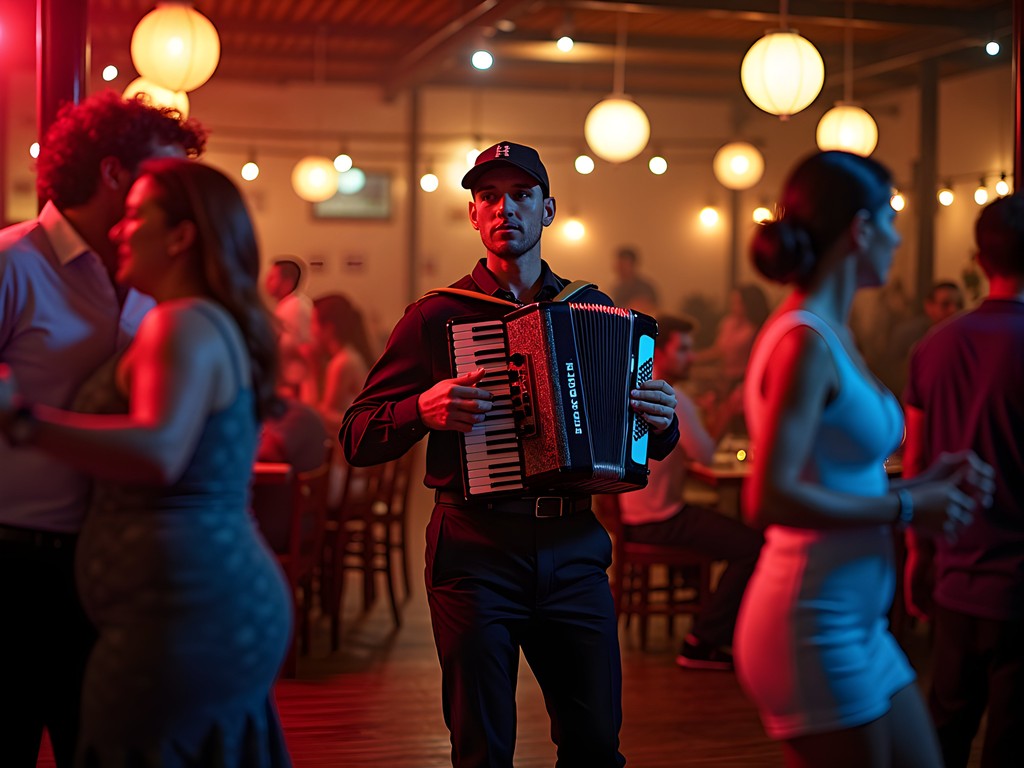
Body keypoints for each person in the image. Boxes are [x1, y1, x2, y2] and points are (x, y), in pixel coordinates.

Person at [340, 141, 681, 768]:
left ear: (547, 209)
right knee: (483, 750)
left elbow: (641, 441)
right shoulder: (436, 316)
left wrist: (660, 423)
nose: (506, 209)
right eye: (489, 196)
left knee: (595, 746)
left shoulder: (595, 307)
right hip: (475, 551)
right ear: (473, 215)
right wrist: (421, 409)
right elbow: (357, 434)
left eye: (521, 196)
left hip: (573, 546)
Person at [0, 159, 292, 766]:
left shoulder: (177, 323)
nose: (118, 230)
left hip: (186, 611)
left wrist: (23, 420)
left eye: (136, 216)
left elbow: (160, 451)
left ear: (181, 236)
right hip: (191, 603)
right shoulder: (201, 320)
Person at [734, 150, 994, 768]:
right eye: (891, 219)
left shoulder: (832, 331)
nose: (899, 238)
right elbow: (767, 498)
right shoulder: (804, 341)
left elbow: (840, 472)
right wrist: (909, 506)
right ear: (861, 229)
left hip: (858, 622)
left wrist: (931, 481)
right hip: (810, 623)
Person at [0, 92, 206, 768]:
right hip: (15, 563)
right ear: (116, 172)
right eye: (166, 176)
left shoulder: (151, 277)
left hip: (113, 565)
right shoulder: (12, 262)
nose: (180, 196)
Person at [903, 194, 1024, 768]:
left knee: (945, 729)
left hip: (954, 566)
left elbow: (918, 462)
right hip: (1019, 581)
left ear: (978, 259)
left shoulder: (934, 346)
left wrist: (917, 555)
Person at [619, 314, 763, 671]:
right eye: (683, 349)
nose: (690, 357)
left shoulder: (640, 385)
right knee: (752, 547)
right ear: (661, 352)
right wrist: (729, 410)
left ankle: (710, 623)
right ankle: (702, 640)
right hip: (660, 519)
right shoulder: (673, 396)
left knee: (724, 533)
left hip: (635, 517)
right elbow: (708, 455)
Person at [300, 293, 373, 428]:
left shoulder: (343, 362)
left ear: (329, 328)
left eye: (313, 323)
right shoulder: (345, 356)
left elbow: (320, 415)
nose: (311, 331)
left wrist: (309, 369)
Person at [880, 279, 964, 395]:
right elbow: (890, 375)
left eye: (959, 304)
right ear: (929, 306)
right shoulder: (908, 335)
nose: (953, 310)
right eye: (945, 304)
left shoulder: (964, 340)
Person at [265, 256, 312, 386]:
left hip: (297, 382)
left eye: (272, 278)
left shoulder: (294, 307)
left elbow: (304, 347)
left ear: (288, 282)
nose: (266, 281)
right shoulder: (288, 305)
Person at [610, 245, 659, 314]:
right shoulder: (617, 288)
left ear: (632, 265)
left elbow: (651, 309)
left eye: (623, 265)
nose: (619, 268)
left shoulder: (645, 287)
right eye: (619, 264)